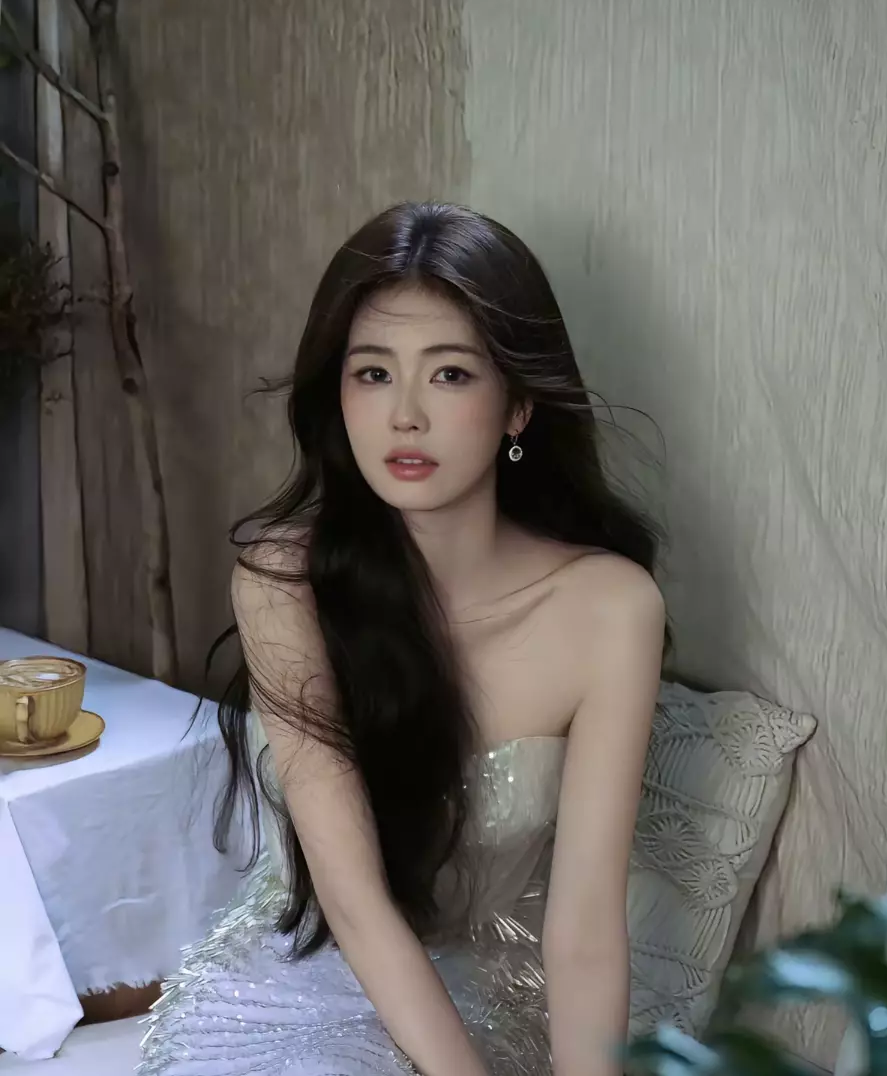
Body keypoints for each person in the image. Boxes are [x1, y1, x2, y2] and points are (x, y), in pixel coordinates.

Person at [138, 203, 666, 1076]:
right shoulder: (284, 582)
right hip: (301, 976)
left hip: (488, 985)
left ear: (518, 406)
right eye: (374, 374)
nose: (405, 416)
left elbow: (583, 931)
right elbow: (352, 900)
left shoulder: (611, 609)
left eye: (450, 374)